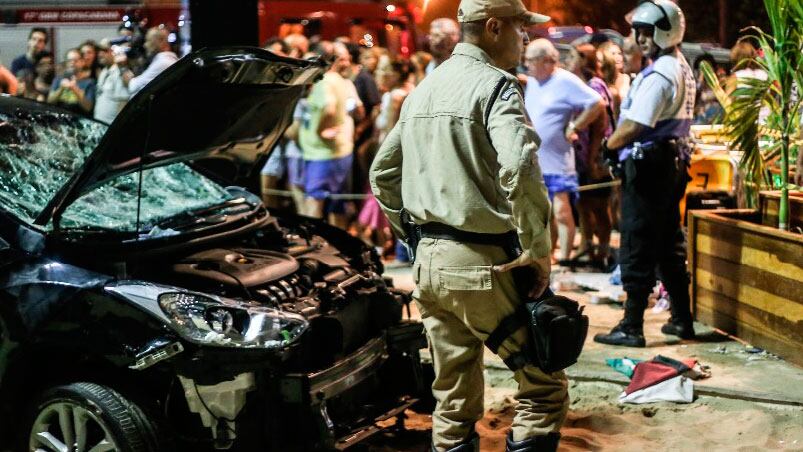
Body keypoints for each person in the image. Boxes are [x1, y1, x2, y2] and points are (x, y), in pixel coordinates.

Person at [370, 0, 568, 450]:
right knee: (544, 387)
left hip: (428, 267)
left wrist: (413, 237)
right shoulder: (496, 86)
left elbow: (382, 173)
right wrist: (538, 249)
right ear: (493, 27)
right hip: (483, 264)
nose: (526, 37)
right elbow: (517, 164)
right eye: (521, 28)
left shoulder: (424, 88)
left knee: (453, 397)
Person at [594, 0, 697, 347]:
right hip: (670, 164)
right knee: (669, 242)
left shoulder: (660, 73)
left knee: (636, 242)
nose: (638, 38)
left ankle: (632, 326)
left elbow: (637, 124)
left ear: (662, 32)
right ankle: (682, 319)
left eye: (643, 31)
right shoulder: (679, 66)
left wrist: (608, 146)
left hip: (650, 165)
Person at [523, 39, 605, 263]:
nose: (526, 64)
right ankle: (548, 254)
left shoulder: (565, 81)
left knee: (561, 210)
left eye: (531, 60)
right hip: (537, 159)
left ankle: (566, 256)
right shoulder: (532, 82)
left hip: (558, 159)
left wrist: (575, 126)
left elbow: (597, 103)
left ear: (547, 61)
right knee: (543, 213)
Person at [299, 42, 357, 228]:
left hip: (323, 155)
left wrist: (320, 131)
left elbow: (328, 107)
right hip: (335, 153)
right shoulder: (337, 79)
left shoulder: (324, 81)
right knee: (336, 207)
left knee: (314, 202)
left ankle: (312, 247)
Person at [566, 44, 614, 268]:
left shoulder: (596, 85)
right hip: (581, 157)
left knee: (599, 206)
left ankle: (603, 252)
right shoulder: (578, 85)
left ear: (584, 60)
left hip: (596, 156)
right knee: (583, 205)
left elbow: (600, 123)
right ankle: (587, 247)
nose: (568, 60)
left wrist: (593, 157)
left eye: (573, 57)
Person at [128, 27, 178, 96]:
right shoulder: (163, 60)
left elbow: (133, 86)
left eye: (149, 40)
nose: (145, 45)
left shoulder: (164, 62)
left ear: (161, 41)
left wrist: (125, 72)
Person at [47, 48, 96, 116]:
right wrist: (61, 88)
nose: (72, 63)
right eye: (69, 60)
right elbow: (49, 102)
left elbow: (88, 108)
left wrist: (75, 89)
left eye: (75, 60)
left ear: (82, 62)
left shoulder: (89, 82)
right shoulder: (58, 79)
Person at [94, 41, 134, 124]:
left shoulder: (121, 72)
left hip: (111, 125)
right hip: (99, 124)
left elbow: (123, 101)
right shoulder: (104, 71)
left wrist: (119, 126)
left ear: (114, 52)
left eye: (105, 51)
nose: (100, 54)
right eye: (99, 51)